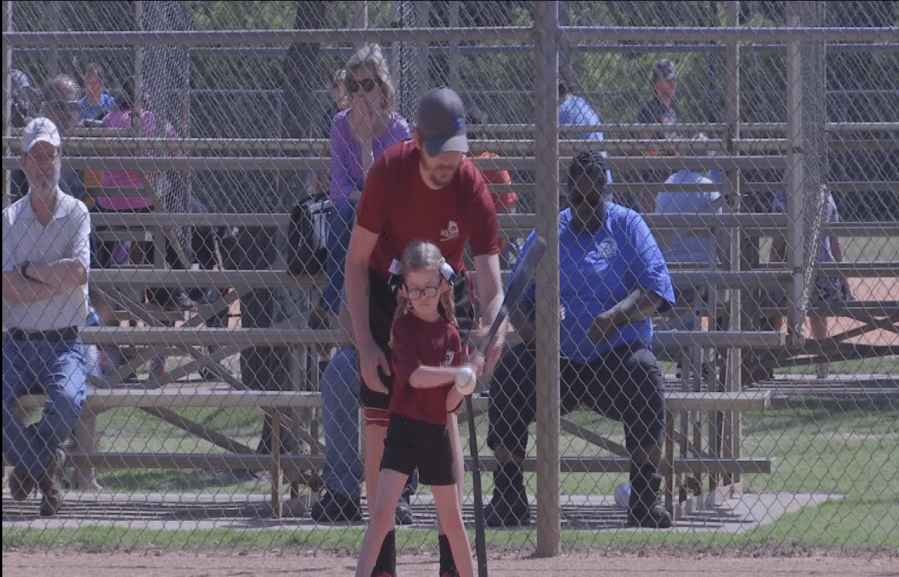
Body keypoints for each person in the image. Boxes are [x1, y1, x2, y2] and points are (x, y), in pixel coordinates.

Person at [345, 87, 506, 577]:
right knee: (381, 424)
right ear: (417, 140)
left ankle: (452, 564)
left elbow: (492, 284)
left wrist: (490, 333)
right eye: (438, 158)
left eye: (455, 159)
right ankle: (383, 563)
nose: (446, 169)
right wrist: (367, 343)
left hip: (441, 288)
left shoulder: (472, 185)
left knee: (444, 411)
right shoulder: (388, 173)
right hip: (382, 282)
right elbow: (354, 264)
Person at [485, 150, 676, 529]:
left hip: (614, 357)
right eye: (577, 199)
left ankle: (644, 500)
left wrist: (614, 317)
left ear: (606, 191)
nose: (586, 207)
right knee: (508, 372)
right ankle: (508, 497)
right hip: (557, 361)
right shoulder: (551, 230)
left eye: (594, 198)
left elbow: (655, 292)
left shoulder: (628, 225)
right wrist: (532, 334)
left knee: (646, 372)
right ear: (567, 195)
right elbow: (516, 299)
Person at [311, 43, 412, 526]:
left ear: (384, 88)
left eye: (367, 85)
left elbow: (395, 198)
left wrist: (372, 143)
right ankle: (342, 491)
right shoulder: (337, 126)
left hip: (395, 272)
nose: (359, 93)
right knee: (336, 375)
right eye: (352, 86)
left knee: (403, 372)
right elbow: (340, 190)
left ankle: (401, 493)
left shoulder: (400, 131)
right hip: (355, 238)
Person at [354, 240, 480, 577]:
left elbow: (448, 404)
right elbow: (415, 377)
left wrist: (463, 385)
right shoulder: (403, 328)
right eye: (415, 289)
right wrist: (457, 373)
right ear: (405, 290)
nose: (423, 296)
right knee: (382, 515)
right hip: (404, 433)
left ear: (443, 285)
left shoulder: (452, 335)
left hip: (436, 434)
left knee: (452, 519)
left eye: (429, 288)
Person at [2, 117, 91, 517]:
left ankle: (26, 466)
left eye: (50, 155)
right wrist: (54, 276)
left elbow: (79, 273)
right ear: (23, 162)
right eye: (36, 156)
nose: (43, 164)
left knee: (70, 400)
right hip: (17, 343)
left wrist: (29, 272)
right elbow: (4, 287)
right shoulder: (8, 219)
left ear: (61, 159)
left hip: (64, 343)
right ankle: (43, 468)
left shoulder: (76, 213)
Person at [768, 190, 851, 380]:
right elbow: (835, 244)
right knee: (817, 311)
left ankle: (769, 362)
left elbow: (778, 245)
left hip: (792, 266)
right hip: (822, 268)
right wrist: (845, 281)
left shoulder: (783, 197)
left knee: (776, 306)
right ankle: (821, 365)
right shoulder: (825, 195)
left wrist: (772, 276)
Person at [654, 135, 725, 333]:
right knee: (728, 282)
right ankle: (715, 342)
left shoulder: (667, 184)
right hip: (700, 274)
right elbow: (721, 236)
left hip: (668, 271)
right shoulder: (708, 188)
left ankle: (687, 345)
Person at [465, 107, 518, 260]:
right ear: (482, 135)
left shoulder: (455, 162)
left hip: (463, 247)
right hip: (494, 248)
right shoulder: (493, 162)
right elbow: (510, 211)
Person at [637, 58, 681, 213]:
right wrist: (668, 148)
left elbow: (677, 149)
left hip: (671, 177)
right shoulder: (649, 110)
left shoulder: (672, 112)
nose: (672, 84)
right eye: (668, 80)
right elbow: (648, 151)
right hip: (653, 179)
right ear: (656, 83)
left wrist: (670, 148)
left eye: (674, 79)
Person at [558, 80, 612, 186]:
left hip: (585, 178)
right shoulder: (580, 102)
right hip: (602, 174)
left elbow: (565, 151)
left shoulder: (562, 110)